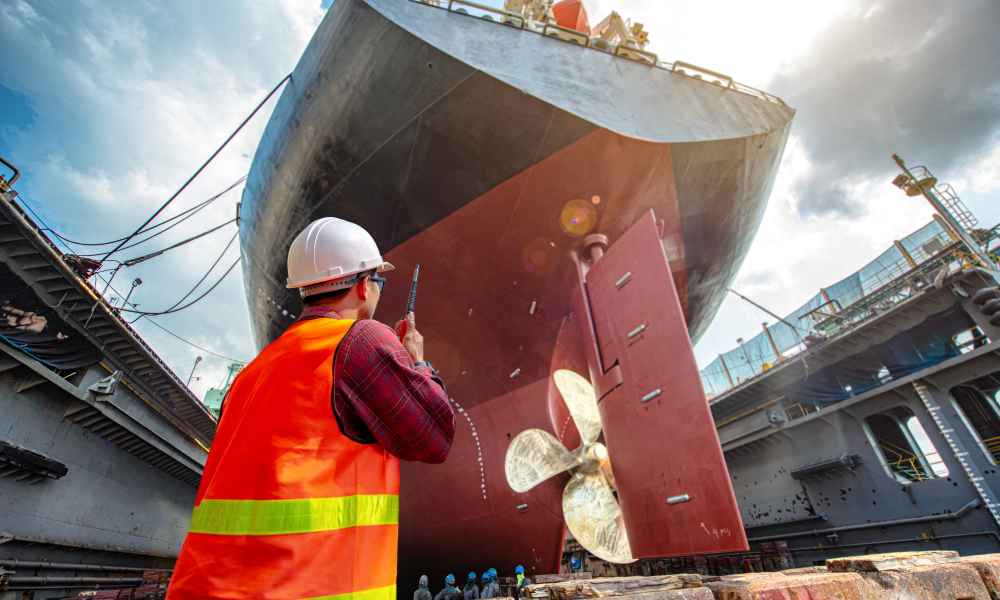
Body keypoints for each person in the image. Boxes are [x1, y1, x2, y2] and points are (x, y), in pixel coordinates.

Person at [167, 217, 456, 599]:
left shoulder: (252, 373)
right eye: (378, 282)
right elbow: (434, 437)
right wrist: (417, 362)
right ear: (363, 284)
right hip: (305, 588)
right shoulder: (361, 340)